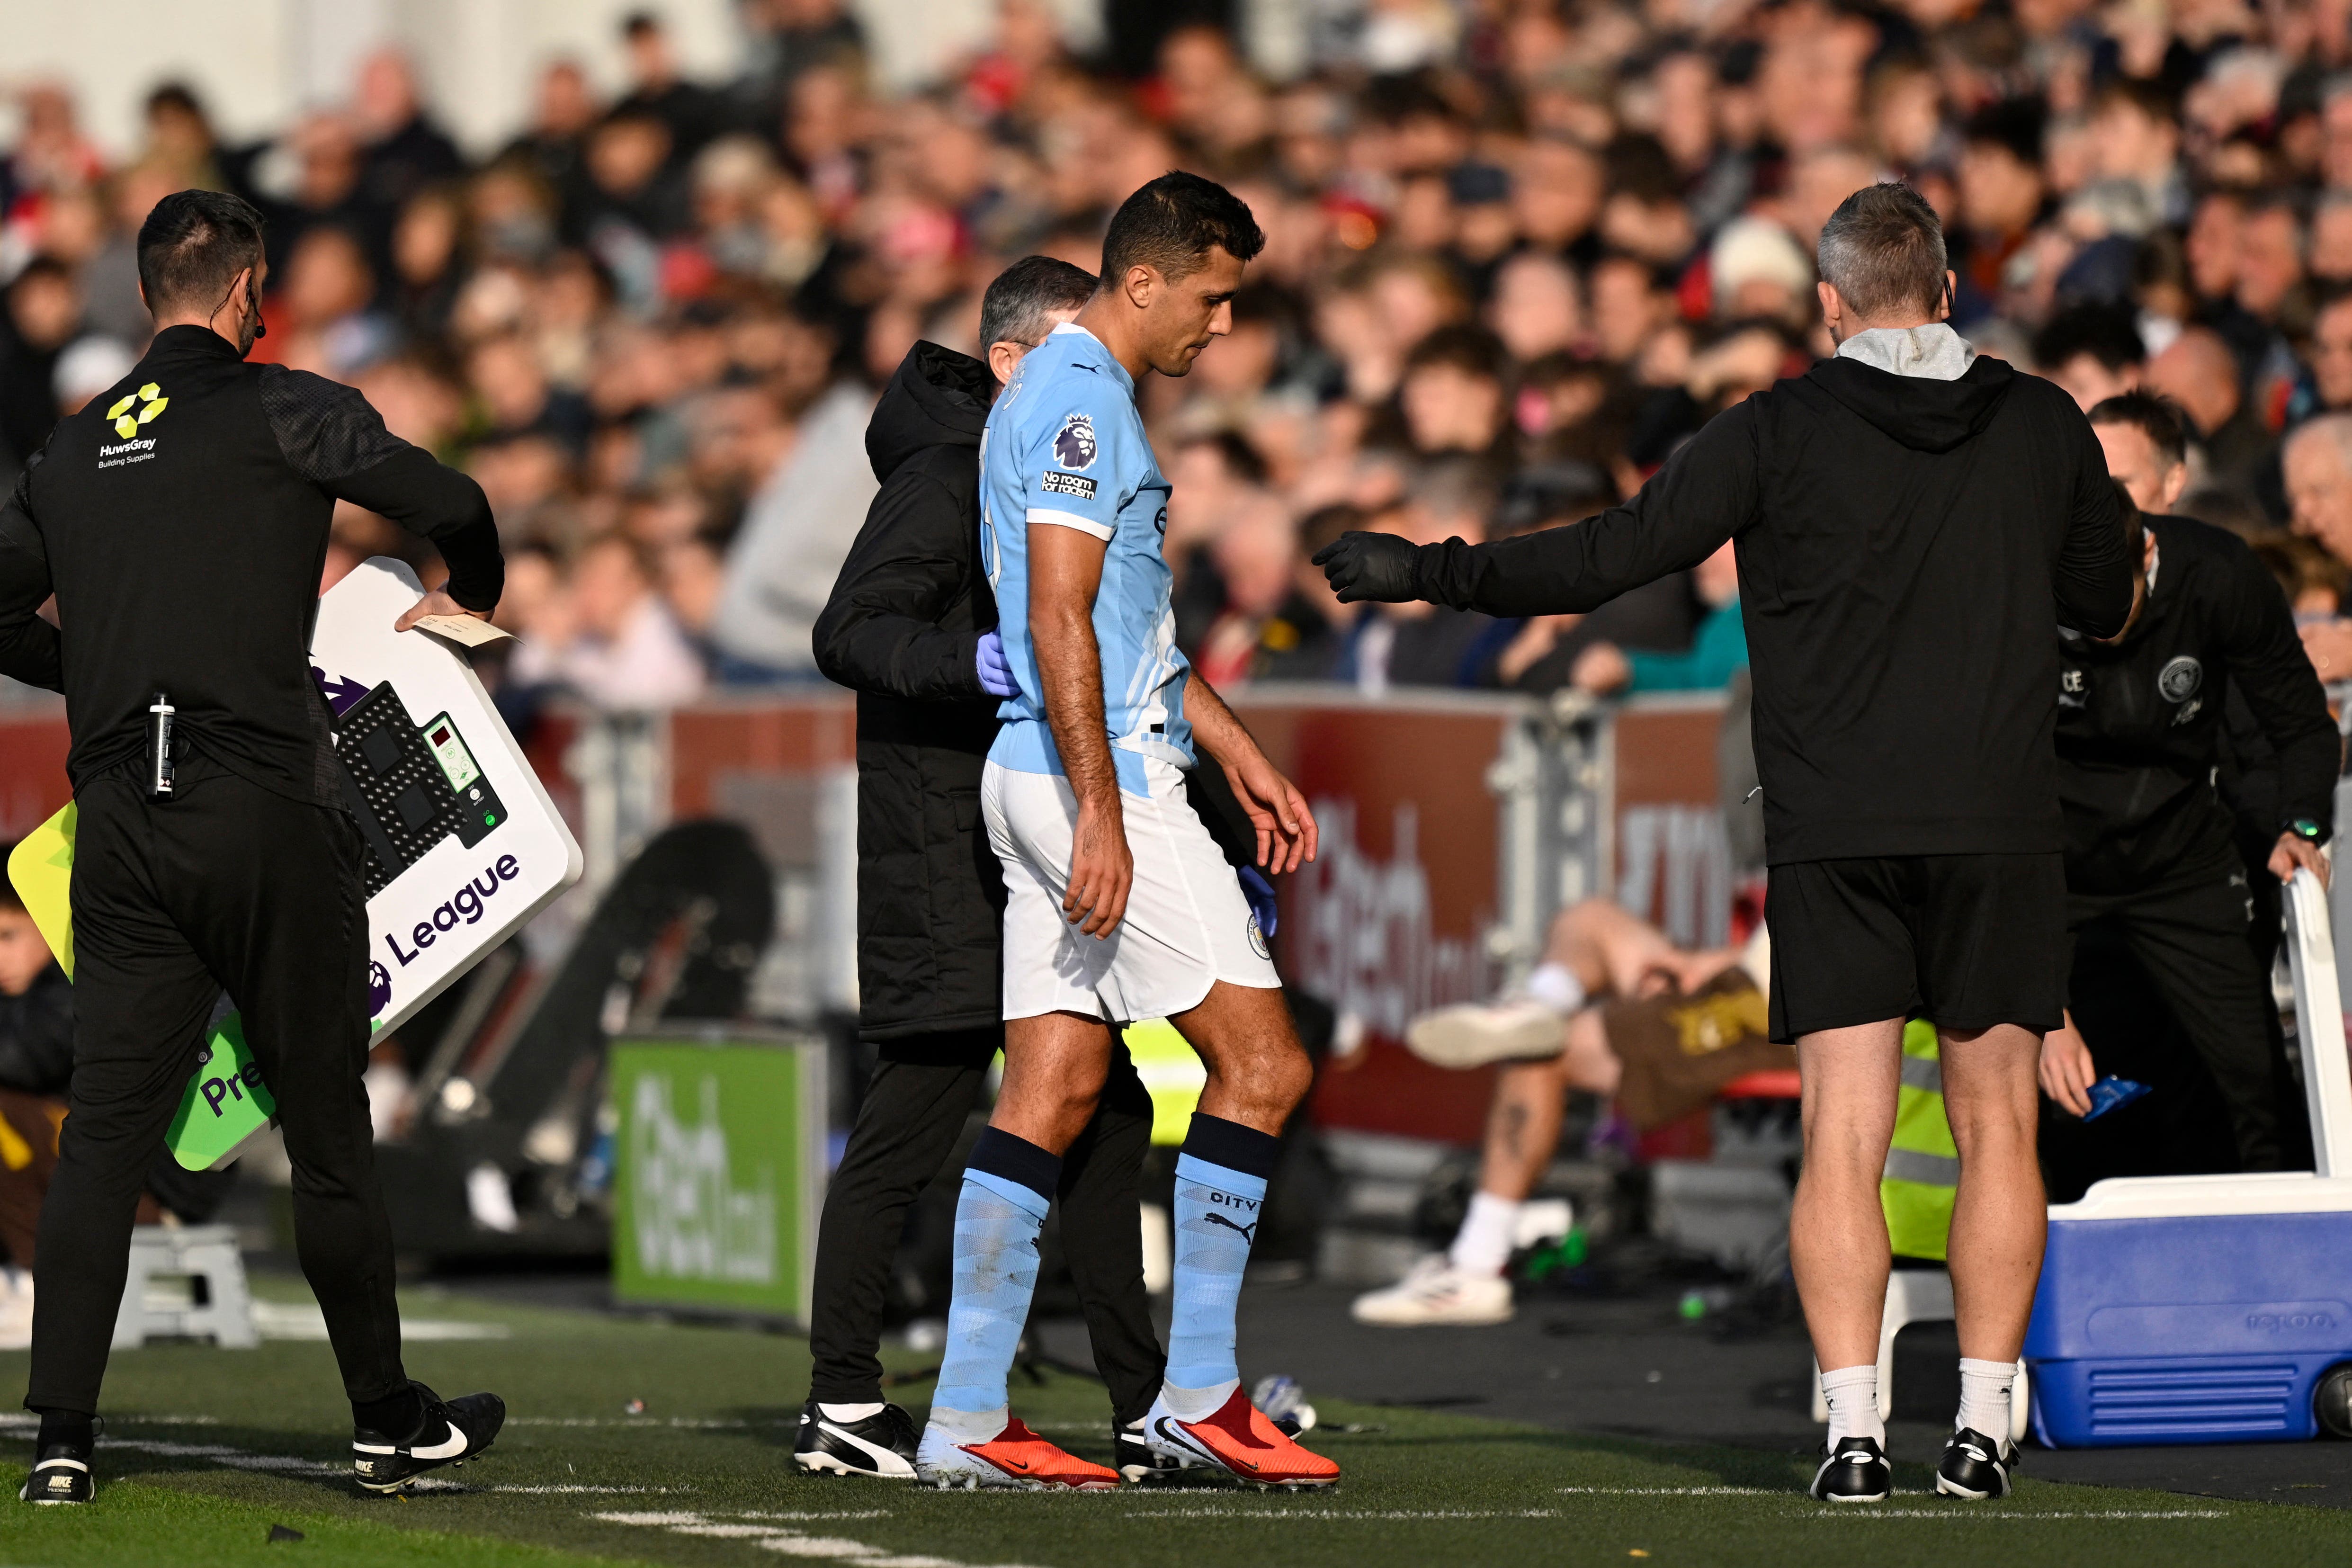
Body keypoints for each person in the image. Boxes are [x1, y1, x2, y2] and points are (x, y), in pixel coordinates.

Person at [1317, 182, 2135, 1504]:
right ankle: (1982, 1428)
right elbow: (2103, 600)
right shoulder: (2039, 423)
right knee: (1997, 1129)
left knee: (1840, 1133)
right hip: (1994, 821)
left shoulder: (1774, 427)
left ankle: (1851, 1432)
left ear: (1825, 305)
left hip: (1834, 830)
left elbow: (1606, 554)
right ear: (1940, 293)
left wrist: (1431, 569)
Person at [0, 190, 509, 1504]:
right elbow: (449, 496)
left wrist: (93, 670)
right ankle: (385, 1422)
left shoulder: (66, 448)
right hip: (264, 804)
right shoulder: (286, 406)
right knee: (328, 1121)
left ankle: (60, 1436)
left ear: (146, 291)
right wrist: (475, 591)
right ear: (245, 292)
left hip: (121, 813)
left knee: (105, 1129)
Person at [914, 173, 1336, 1491]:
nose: (1220, 324)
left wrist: (1238, 746)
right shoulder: (1082, 395)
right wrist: (1106, 806)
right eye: (1212, 296)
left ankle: (965, 1412)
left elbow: (1119, 631)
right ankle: (1199, 1392)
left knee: (1052, 1087)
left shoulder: (1065, 394)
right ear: (1142, 279)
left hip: (1042, 768)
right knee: (1262, 1064)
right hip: (1087, 781)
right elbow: (1055, 614)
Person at [799, 255, 1178, 1485]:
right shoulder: (947, 466)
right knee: (912, 1116)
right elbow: (845, 629)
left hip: (1016, 838)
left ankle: (1143, 1400)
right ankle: (844, 1400)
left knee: (1107, 1117)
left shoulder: (1032, 454)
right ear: (1010, 362)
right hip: (939, 848)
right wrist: (983, 663)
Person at [2042, 394, 2336, 1171]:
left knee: (2249, 1082)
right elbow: (1977, 789)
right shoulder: (2010, 600)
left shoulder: (2218, 574)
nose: (2101, 626)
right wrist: (2039, 1007)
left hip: (2182, 860)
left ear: (2146, 556)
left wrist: (2301, 827)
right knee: (2061, 1096)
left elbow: (2302, 725)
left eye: (2115, 605)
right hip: (2050, 865)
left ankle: (2277, 1265)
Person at [1353, 898, 1786, 1326]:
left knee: (1541, 1050)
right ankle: (1540, 1003)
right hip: (1754, 973)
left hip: (1779, 1006)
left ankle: (1475, 1265)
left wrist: (1711, 965)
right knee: (1590, 920)